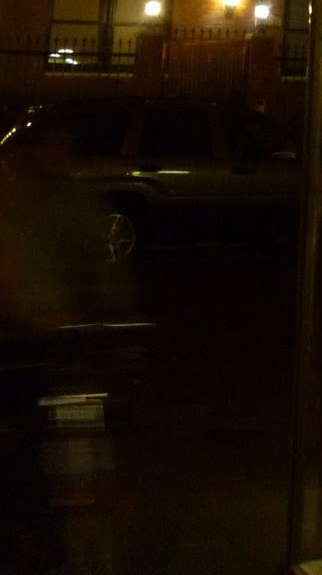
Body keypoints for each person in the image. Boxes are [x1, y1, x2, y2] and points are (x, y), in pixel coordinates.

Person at [0, 117, 133, 571]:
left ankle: (70, 520)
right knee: (24, 440)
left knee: (80, 426)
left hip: (65, 341)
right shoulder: (12, 201)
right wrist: (40, 316)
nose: (58, 155)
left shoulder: (73, 198)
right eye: (49, 146)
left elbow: (100, 258)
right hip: (19, 343)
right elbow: (15, 269)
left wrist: (112, 311)